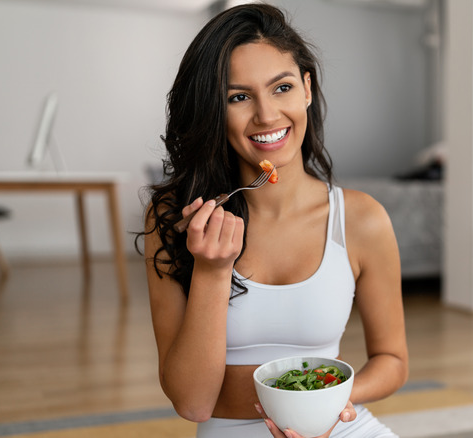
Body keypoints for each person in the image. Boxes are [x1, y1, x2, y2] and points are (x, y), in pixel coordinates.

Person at [139, 3, 408, 438]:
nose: (266, 115)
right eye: (238, 97)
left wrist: (328, 401)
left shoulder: (361, 218)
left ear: (306, 88)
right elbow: (192, 402)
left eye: (281, 88)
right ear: (214, 110)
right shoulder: (175, 220)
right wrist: (211, 270)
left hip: (339, 424)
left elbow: (392, 362)